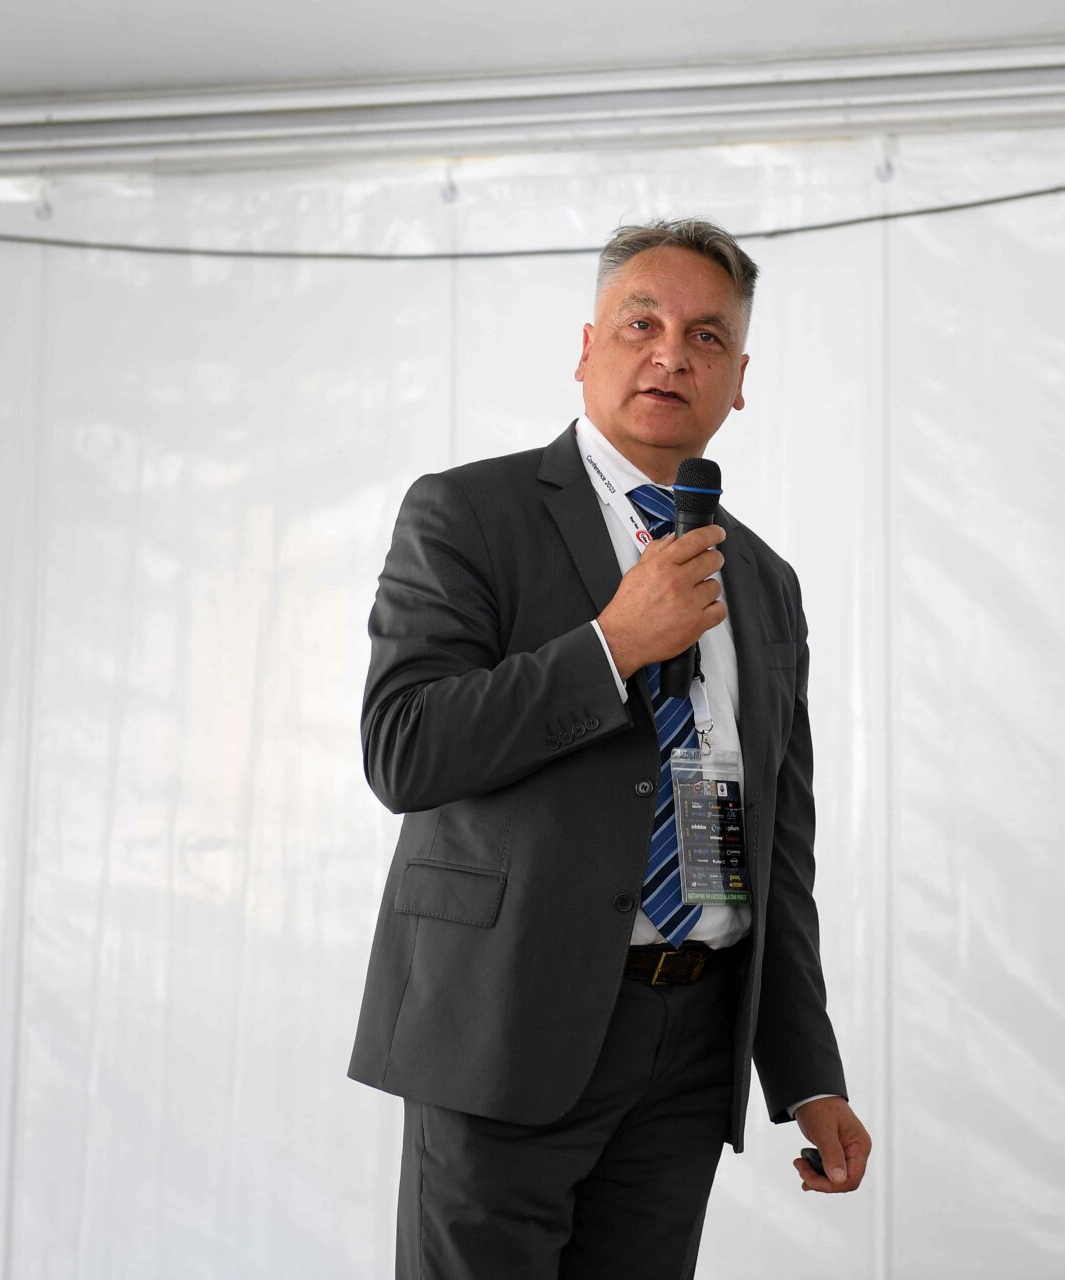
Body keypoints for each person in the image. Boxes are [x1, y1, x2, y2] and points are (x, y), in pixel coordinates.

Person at [349, 217, 871, 1279]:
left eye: (707, 336)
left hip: (691, 1047)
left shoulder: (763, 582)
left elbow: (777, 847)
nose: (672, 353)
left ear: (739, 382)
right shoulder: (468, 513)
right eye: (643, 323)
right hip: (505, 1027)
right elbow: (405, 748)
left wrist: (807, 1069)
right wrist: (611, 645)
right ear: (588, 349)